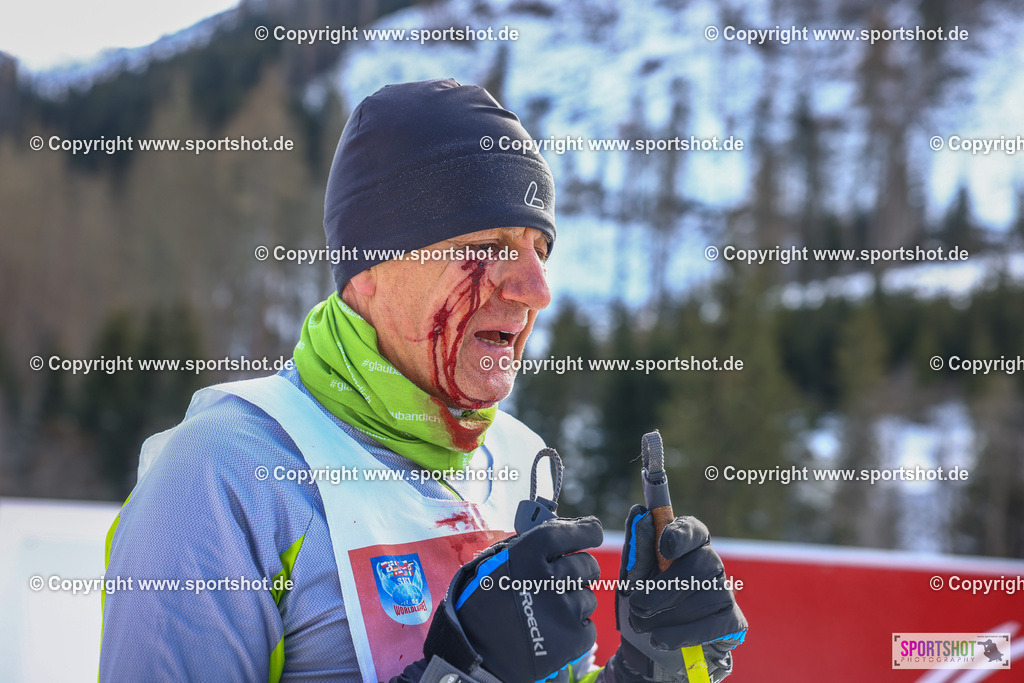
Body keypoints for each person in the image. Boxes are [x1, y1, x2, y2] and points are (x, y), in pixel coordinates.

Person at [99, 78, 745, 683]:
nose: (537, 290)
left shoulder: (519, 460)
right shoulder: (222, 481)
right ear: (369, 267)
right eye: (490, 245)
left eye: (539, 249)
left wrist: (646, 668)